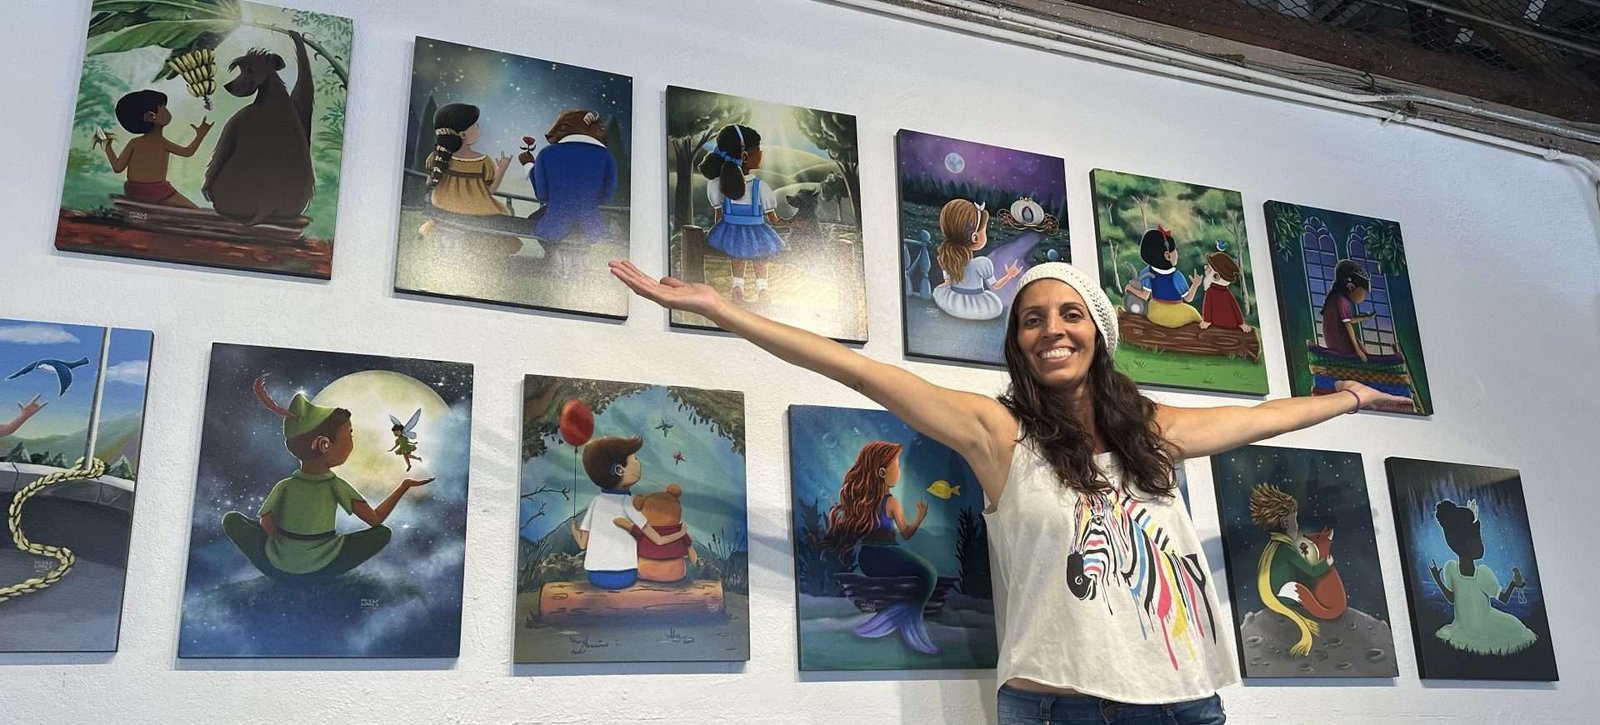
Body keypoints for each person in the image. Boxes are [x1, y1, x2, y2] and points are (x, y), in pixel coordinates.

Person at [610, 258, 1407, 723]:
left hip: (1186, 703)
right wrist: (724, 311)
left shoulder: (1153, 432)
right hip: (1063, 708)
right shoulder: (999, 434)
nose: (1051, 329)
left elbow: (1260, 417)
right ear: (1017, 342)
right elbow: (859, 369)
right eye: (1031, 319)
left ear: (1098, 333)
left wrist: (1347, 398)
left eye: (1069, 314)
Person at [222, 375, 432, 584]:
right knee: (381, 534)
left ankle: (285, 568)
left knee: (232, 519)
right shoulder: (335, 485)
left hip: (279, 561)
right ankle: (313, 572)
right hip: (322, 563)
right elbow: (375, 520)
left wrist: (286, 546)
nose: (352, 442)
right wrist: (404, 487)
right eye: (349, 434)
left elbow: (266, 520)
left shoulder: (285, 485)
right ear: (324, 445)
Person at [822, 441, 940, 654]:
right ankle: (909, 613)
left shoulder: (864, 502)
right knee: (929, 572)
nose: (900, 470)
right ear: (883, 471)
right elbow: (906, 532)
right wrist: (920, 518)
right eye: (898, 464)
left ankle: (899, 614)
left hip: (867, 558)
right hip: (885, 553)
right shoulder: (891, 502)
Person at [1429, 500, 1536, 655]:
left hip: (1465, 627)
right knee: (1516, 628)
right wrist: (1514, 583)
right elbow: (1504, 598)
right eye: (1478, 541)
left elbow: (1452, 598)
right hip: (1473, 626)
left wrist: (1437, 579)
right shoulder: (1481, 572)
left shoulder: (1451, 568)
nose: (1481, 545)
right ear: (1466, 544)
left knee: (1514, 625)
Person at [700, 124, 784, 304]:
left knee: (737, 256)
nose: (761, 154)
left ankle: (738, 287)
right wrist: (785, 223)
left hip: (732, 230)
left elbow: (719, 215)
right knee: (760, 258)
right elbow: (773, 218)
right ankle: (761, 290)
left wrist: (720, 235)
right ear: (745, 156)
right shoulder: (760, 186)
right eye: (758, 150)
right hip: (757, 231)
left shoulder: (716, 184)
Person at [102, 89, 212, 208]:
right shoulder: (162, 143)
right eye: (163, 108)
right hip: (156, 191)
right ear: (151, 116)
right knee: (194, 209)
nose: (167, 111)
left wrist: (107, 147)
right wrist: (200, 135)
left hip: (133, 190)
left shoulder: (134, 143)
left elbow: (118, 167)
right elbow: (187, 152)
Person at [931, 199, 1022, 320]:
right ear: (975, 237)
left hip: (952, 301)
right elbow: (995, 286)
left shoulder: (948, 259)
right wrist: (1009, 275)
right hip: (977, 304)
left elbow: (947, 283)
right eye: (985, 230)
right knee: (995, 306)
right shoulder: (982, 263)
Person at [1123, 227, 1202, 328]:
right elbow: (1188, 298)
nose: (1177, 254)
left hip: (1155, 312)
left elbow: (1144, 296)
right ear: (1167, 255)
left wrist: (1130, 289)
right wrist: (1195, 284)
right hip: (1176, 313)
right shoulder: (1176, 275)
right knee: (1194, 315)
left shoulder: (1147, 271)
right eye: (1175, 251)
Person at [1320, 260, 1376, 360]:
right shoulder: (1341, 300)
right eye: (1363, 291)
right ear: (1351, 287)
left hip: (1336, 339)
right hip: (1339, 343)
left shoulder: (1338, 298)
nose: (1364, 296)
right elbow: (1348, 325)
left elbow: (1349, 320)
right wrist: (1358, 351)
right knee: (1360, 348)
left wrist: (1365, 317)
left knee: (1361, 347)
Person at [1198, 251, 1251, 332]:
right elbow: (1235, 308)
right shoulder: (1226, 292)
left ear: (1216, 276)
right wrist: (1241, 323)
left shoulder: (1212, 291)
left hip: (1220, 325)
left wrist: (1207, 321)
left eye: (1209, 267)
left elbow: (1207, 307)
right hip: (1229, 325)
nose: (1206, 268)